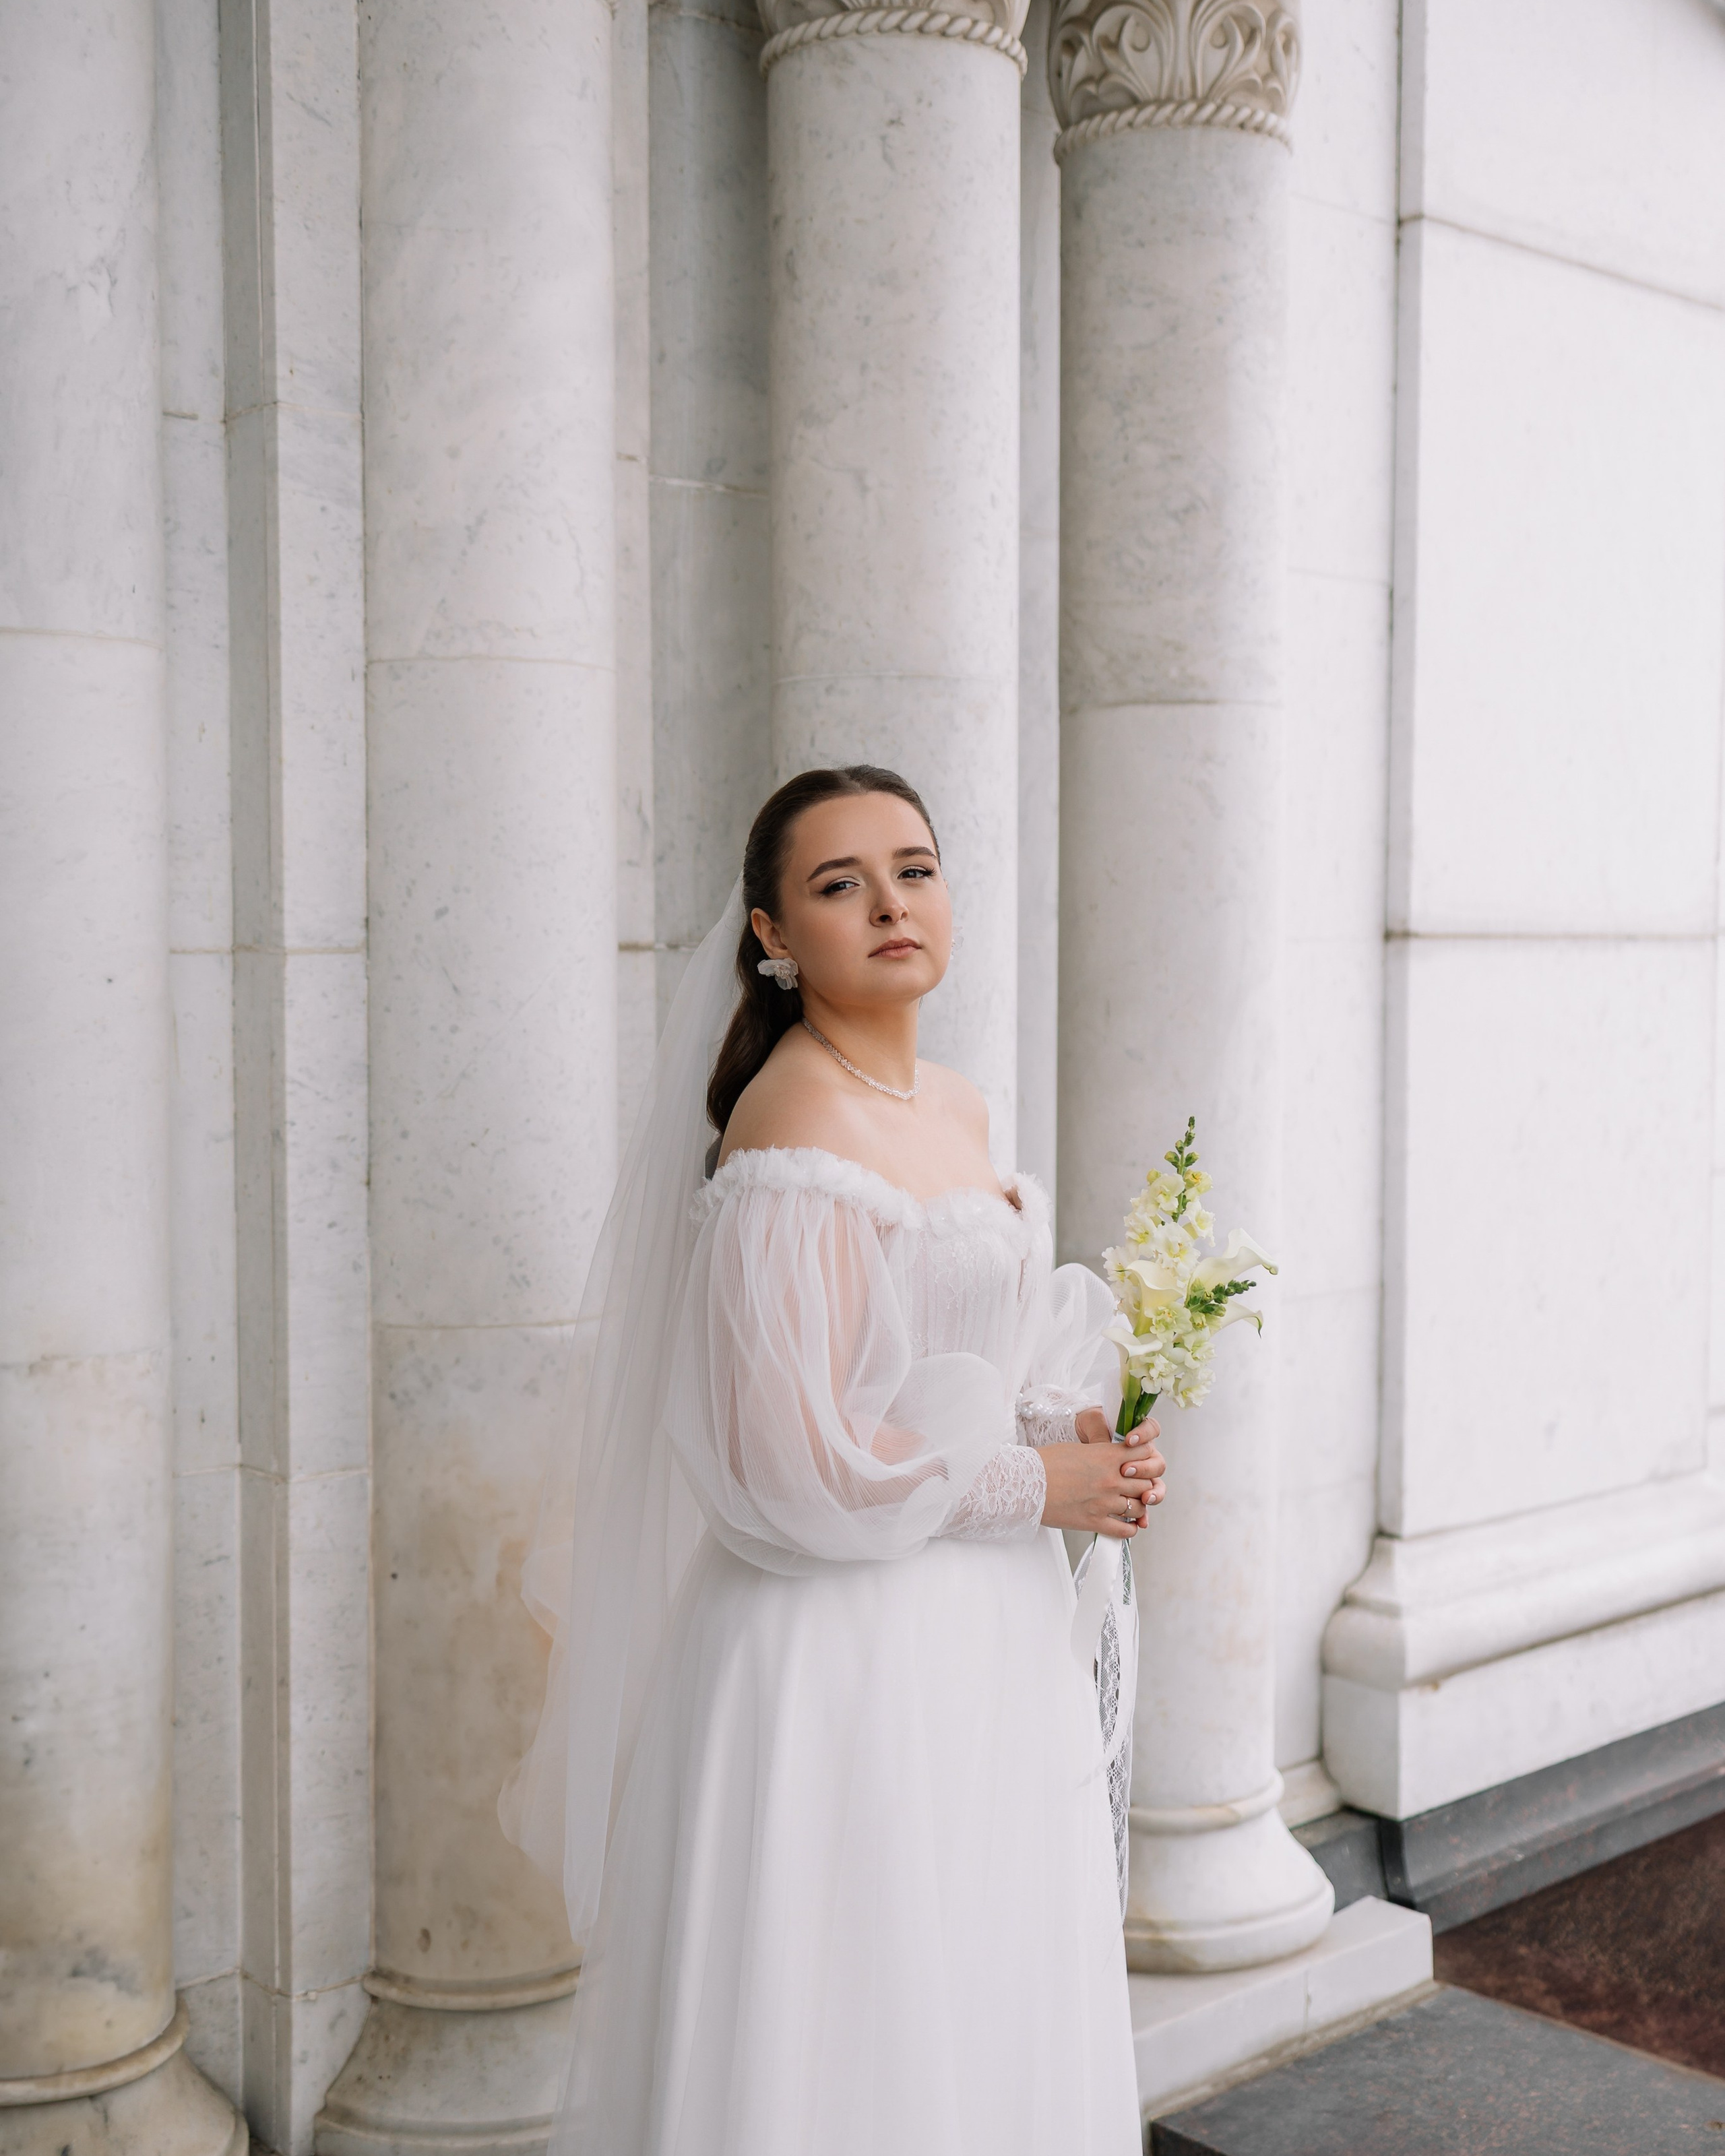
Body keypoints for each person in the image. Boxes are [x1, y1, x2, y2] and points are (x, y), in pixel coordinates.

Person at [503, 765, 1165, 2155]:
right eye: (837, 883)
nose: (887, 904)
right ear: (769, 935)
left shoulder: (959, 1107)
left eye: (912, 869)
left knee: (975, 1999)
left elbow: (944, 1372)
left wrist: (1071, 1441)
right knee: (852, 2021)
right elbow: (786, 1460)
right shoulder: (788, 1129)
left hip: (978, 1638)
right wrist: (1032, 1490)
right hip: (839, 1645)